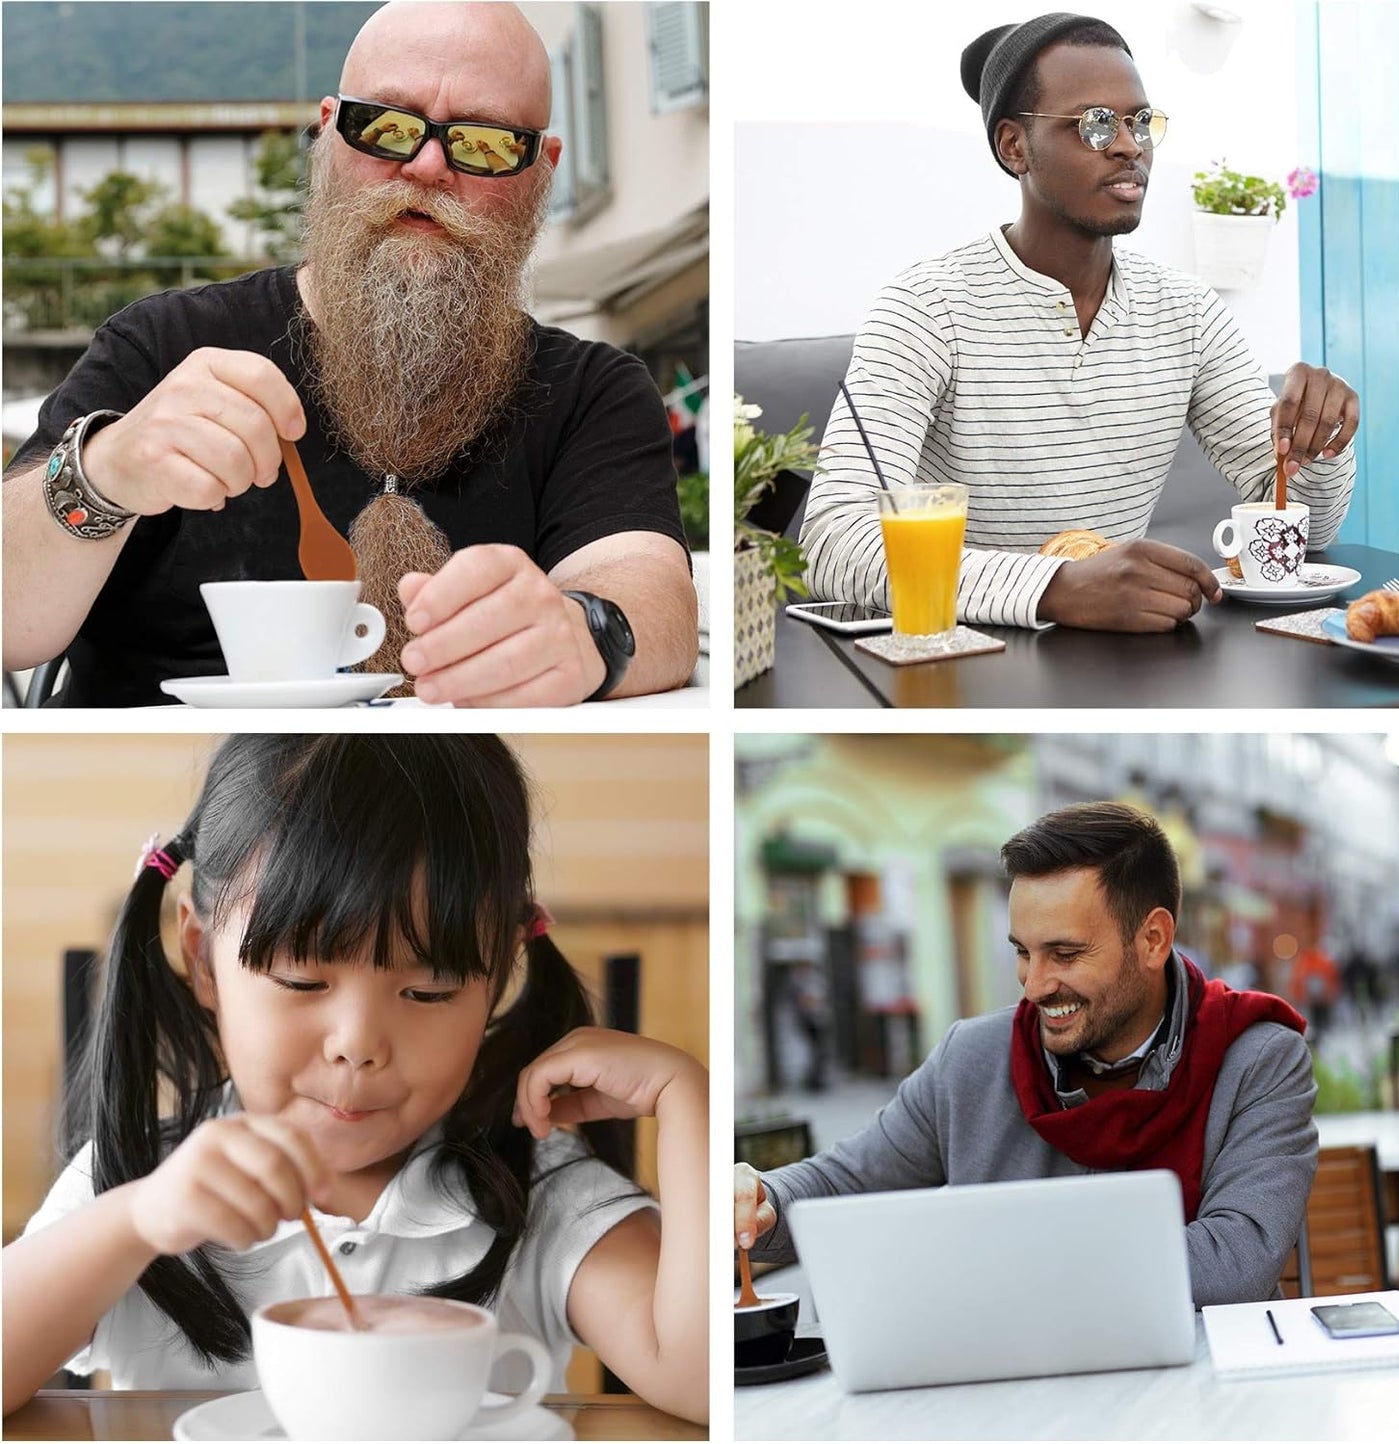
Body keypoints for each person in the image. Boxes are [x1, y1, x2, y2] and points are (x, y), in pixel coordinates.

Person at [2, 2, 697, 706]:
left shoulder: (590, 391)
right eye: (387, 127)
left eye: (483, 143)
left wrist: (584, 633)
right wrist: (104, 473)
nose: (427, 166)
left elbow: (649, 591)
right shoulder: (162, 345)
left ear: (542, 169)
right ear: (329, 135)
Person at [2, 735, 707, 1423]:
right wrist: (134, 1222)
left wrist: (687, 1101)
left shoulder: (540, 1191)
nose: (358, 1046)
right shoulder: (133, 1185)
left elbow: (699, 1381)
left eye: (427, 993)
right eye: (302, 981)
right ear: (203, 958)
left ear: (498, 978)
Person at [801, 12, 1357, 633]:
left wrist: (1319, 439)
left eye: (1140, 122)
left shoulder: (1189, 313)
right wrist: (1058, 588)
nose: (1128, 146)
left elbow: (1306, 526)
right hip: (960, 664)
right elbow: (831, 541)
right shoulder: (925, 307)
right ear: (1015, 147)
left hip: (1130, 663)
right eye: (1094, 124)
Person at [733, 802, 1318, 1307]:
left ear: (1152, 939)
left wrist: (994, 1258)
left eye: (1064, 954)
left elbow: (1236, 1260)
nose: (1034, 986)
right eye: (1022, 952)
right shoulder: (971, 1059)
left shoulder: (1258, 1059)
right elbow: (845, 1182)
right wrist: (764, 1200)